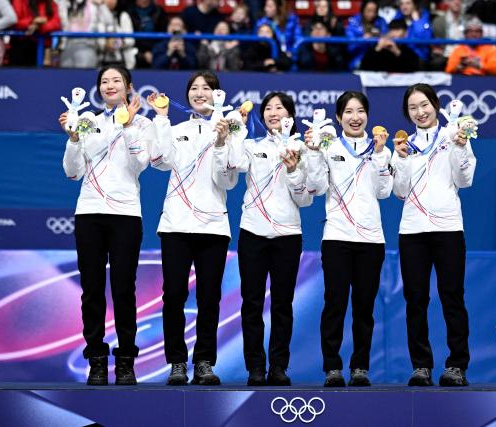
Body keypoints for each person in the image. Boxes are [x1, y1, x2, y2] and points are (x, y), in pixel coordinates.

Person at [59, 65, 162, 386]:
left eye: (116, 80)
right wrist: (75, 138)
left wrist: (127, 126)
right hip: (89, 212)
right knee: (91, 290)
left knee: (123, 289)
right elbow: (72, 171)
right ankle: (97, 360)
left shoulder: (143, 124)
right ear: (98, 89)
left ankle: (127, 360)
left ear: (129, 87)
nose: (110, 85)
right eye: (104, 81)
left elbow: (139, 163)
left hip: (126, 215)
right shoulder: (88, 121)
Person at [148, 71, 244, 386]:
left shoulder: (232, 130)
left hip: (213, 226)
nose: (200, 92)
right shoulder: (174, 130)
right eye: (194, 88)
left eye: (207, 88)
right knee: (173, 294)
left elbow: (228, 180)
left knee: (209, 297)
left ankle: (204, 362)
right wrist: (160, 119)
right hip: (176, 224)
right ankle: (177, 362)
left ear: (218, 94)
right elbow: (159, 161)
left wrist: (220, 142)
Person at [304, 91, 393, 387]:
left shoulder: (380, 148)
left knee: (364, 306)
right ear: (339, 117)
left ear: (367, 115)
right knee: (335, 303)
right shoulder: (329, 147)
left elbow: (383, 192)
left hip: (370, 239)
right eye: (349, 112)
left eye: (360, 111)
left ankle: (360, 367)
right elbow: (315, 187)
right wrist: (315, 153)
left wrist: (380, 155)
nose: (355, 117)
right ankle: (332, 367)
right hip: (337, 237)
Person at [391, 83, 476, 387]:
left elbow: (464, 179)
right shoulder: (403, 144)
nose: (420, 112)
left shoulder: (452, 135)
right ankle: (421, 366)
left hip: (448, 229)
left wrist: (460, 145)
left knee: (452, 296)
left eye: (424, 105)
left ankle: (456, 365)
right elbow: (399, 193)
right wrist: (399, 159)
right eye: (413, 108)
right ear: (407, 113)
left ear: (436, 105)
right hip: (412, 231)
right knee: (416, 300)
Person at [226, 92, 313, 386]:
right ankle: (255, 367)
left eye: (280, 108)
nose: (273, 112)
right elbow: (235, 165)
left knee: (282, 304)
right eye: (269, 109)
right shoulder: (252, 146)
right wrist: (237, 128)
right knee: (251, 303)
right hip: (253, 233)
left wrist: (292, 170)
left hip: (288, 236)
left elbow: (305, 199)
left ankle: (278, 367)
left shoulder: (303, 148)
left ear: (291, 114)